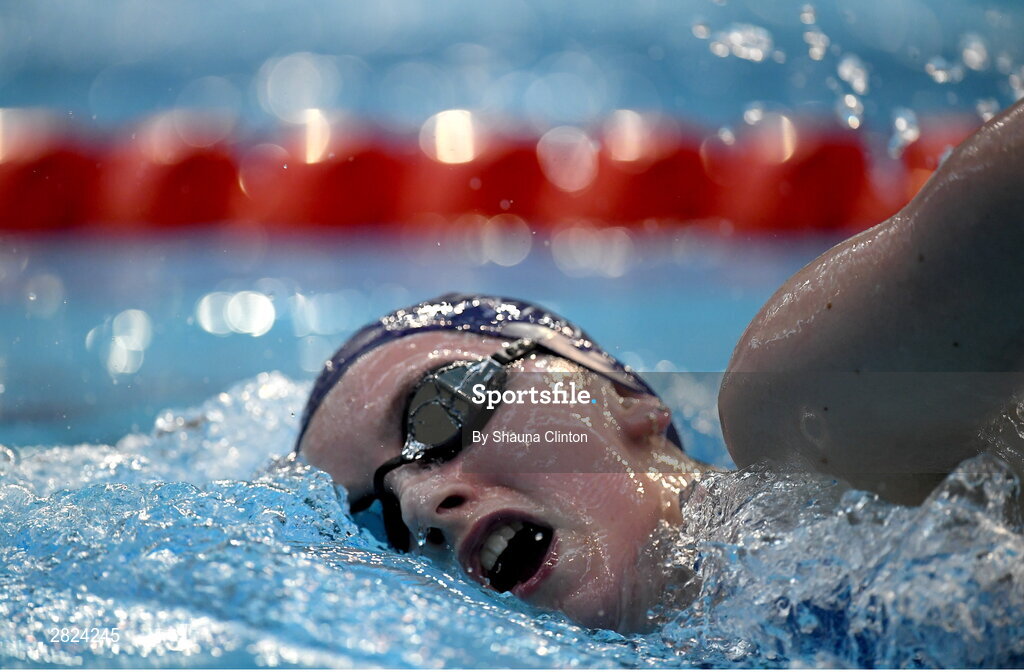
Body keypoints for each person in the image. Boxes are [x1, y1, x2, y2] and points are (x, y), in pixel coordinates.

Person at [294, 99, 1024, 632]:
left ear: (622, 399)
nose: (420, 507)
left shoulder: (804, 418)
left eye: (438, 410)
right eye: (373, 519)